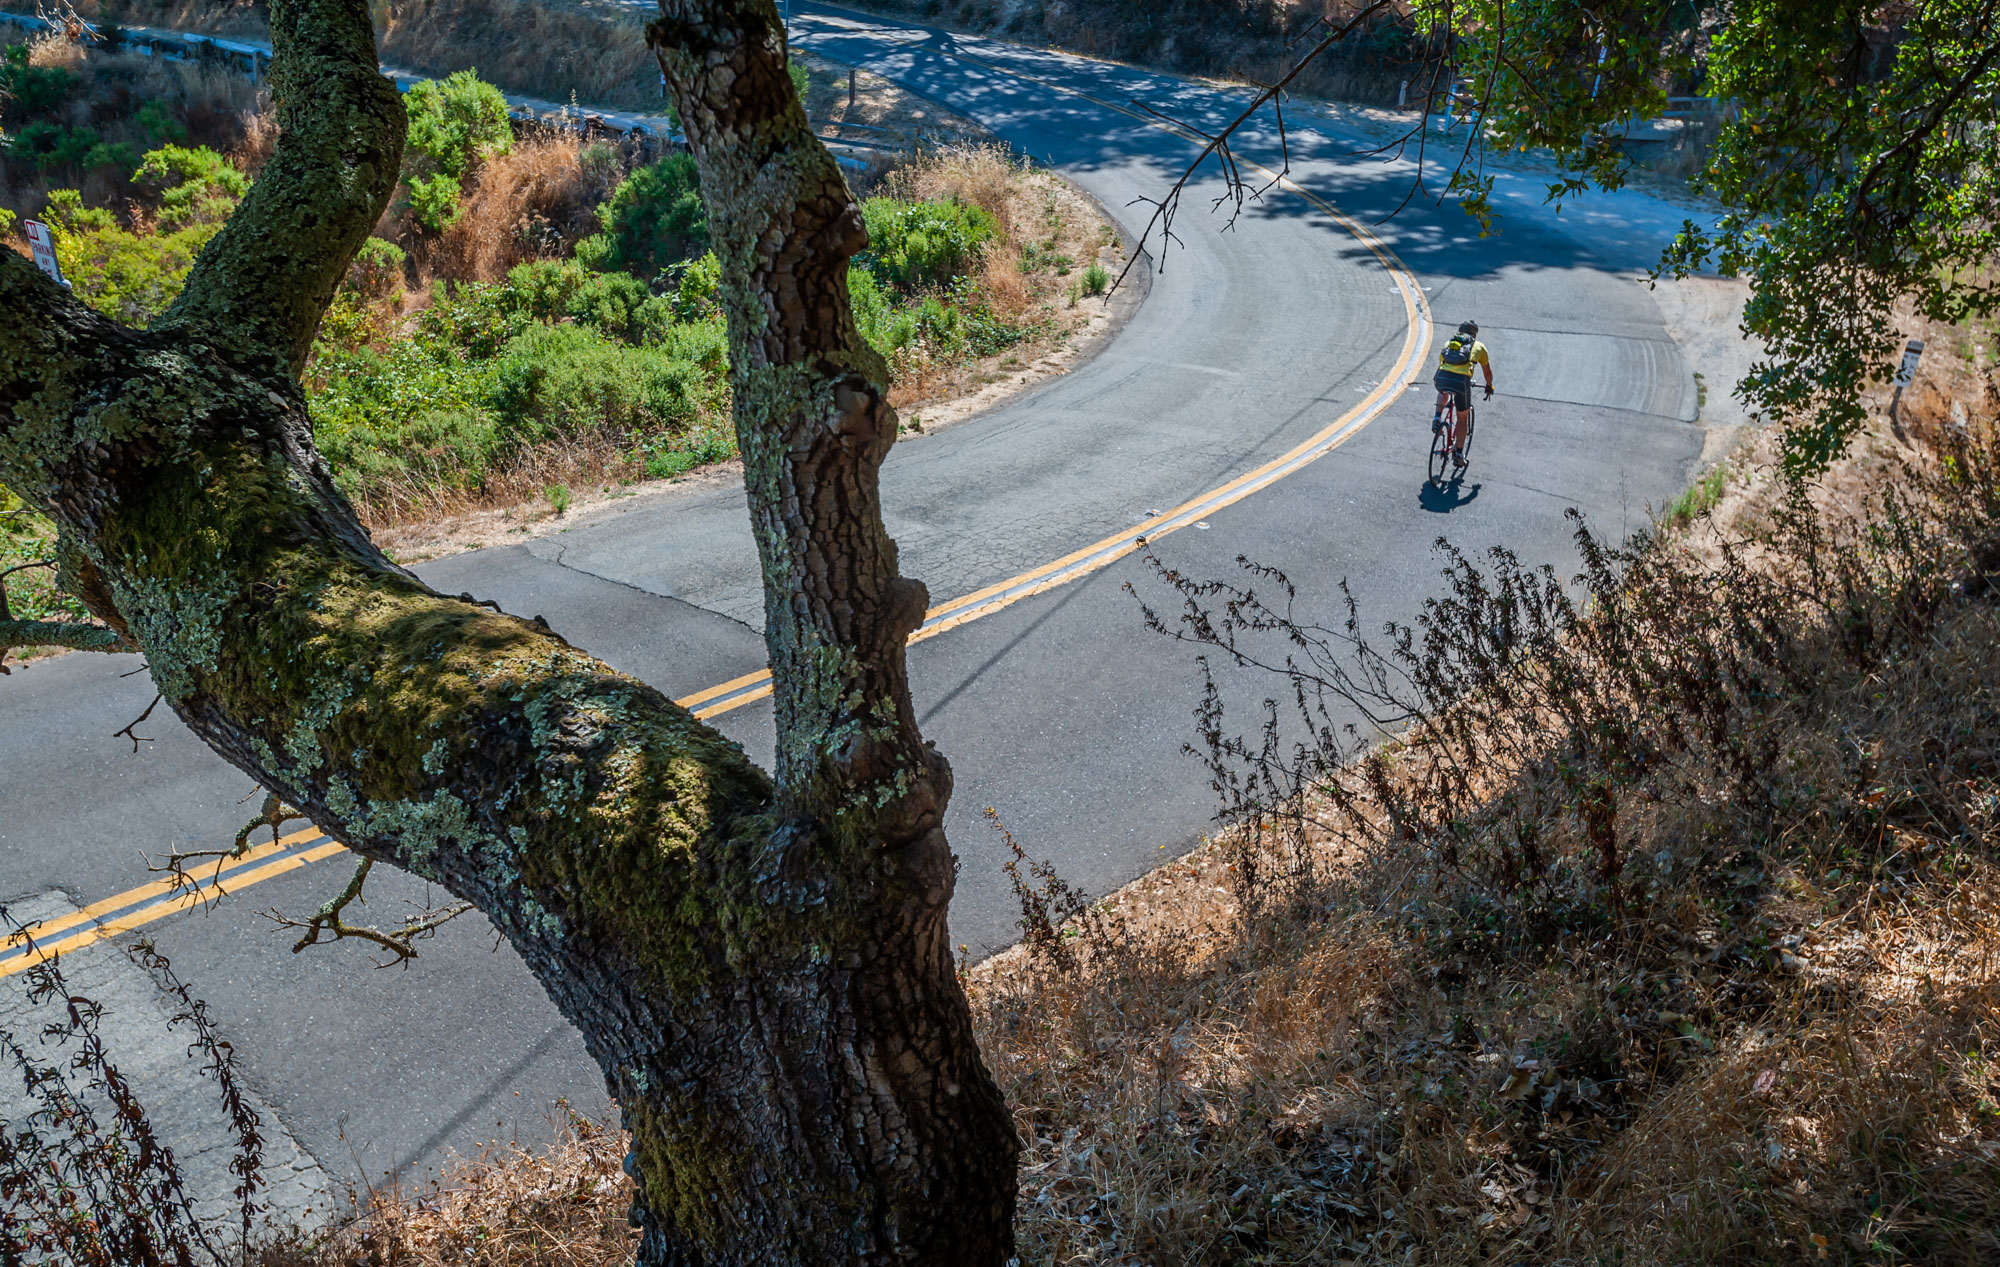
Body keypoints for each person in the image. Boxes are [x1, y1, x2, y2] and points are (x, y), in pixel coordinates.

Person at [1432, 320, 1494, 470]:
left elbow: (1441, 362)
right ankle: (1459, 455)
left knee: (1443, 391)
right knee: (1462, 418)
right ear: (1474, 334)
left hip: (1442, 378)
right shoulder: (1479, 347)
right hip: (1461, 383)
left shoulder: (1449, 343)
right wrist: (1489, 386)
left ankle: (1437, 418)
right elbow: (1487, 372)